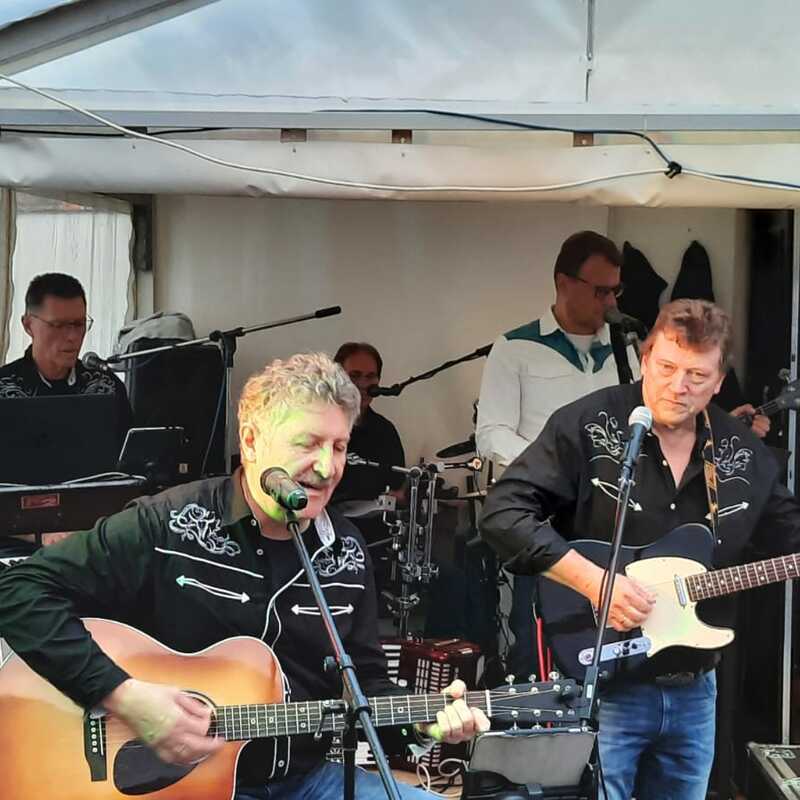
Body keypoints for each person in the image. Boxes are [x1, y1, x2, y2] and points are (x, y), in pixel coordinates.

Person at [0, 352, 488, 800]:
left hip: (307, 782)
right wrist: (125, 697)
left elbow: (368, 688)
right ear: (251, 440)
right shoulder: (167, 523)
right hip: (180, 788)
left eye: (339, 447)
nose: (326, 467)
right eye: (308, 443)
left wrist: (424, 725)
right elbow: (18, 590)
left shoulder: (347, 552)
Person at [480, 299, 800, 800]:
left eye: (697, 375)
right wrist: (594, 582)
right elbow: (503, 513)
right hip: (600, 683)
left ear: (719, 381)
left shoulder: (741, 451)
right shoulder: (589, 423)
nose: (679, 385)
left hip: (696, 687)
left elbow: (790, 534)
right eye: (667, 367)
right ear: (646, 358)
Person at [476, 231, 639, 677]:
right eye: (600, 290)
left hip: (611, 524)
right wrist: (557, 471)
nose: (610, 302)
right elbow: (490, 435)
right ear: (563, 282)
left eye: (616, 290)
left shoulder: (626, 349)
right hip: (545, 521)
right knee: (540, 646)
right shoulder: (516, 347)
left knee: (616, 642)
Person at [332, 342, 406, 511]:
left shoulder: (385, 431)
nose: (363, 384)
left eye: (370, 376)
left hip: (375, 524)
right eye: (355, 376)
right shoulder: (318, 426)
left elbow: (397, 486)